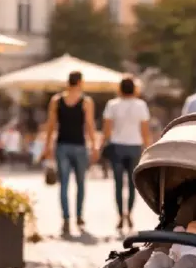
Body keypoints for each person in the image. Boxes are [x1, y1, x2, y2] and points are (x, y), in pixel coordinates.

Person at [42, 71, 99, 235]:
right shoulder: (86, 101)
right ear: (80, 82)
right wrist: (94, 145)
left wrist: (47, 147)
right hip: (80, 146)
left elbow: (51, 125)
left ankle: (66, 219)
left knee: (64, 184)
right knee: (81, 184)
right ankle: (79, 216)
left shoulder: (56, 100)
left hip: (62, 146)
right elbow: (89, 125)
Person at [102, 77, 152, 231]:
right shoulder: (141, 105)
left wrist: (103, 144)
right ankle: (129, 213)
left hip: (117, 146)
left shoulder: (112, 105)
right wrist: (148, 148)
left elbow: (107, 130)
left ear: (120, 89)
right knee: (132, 184)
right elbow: (145, 130)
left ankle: (119, 215)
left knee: (118, 184)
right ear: (134, 89)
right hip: (135, 146)